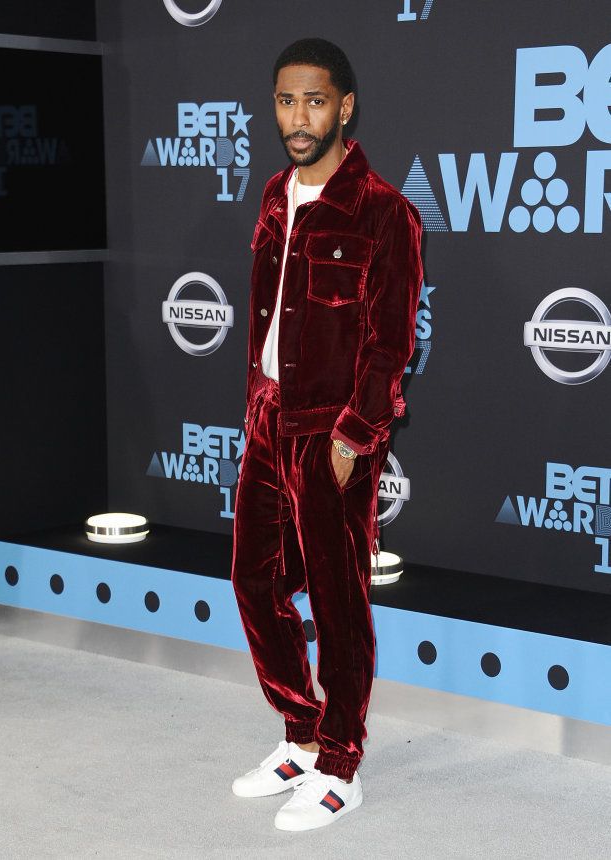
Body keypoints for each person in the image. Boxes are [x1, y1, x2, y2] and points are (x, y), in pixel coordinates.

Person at [230, 37, 423, 832]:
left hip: (331, 432)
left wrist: (352, 438)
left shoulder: (384, 210)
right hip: (269, 416)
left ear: (345, 106)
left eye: (314, 101)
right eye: (285, 101)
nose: (298, 118)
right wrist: (255, 405)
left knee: (340, 604)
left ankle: (340, 762)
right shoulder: (276, 194)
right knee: (252, 581)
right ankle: (300, 733)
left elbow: (390, 344)